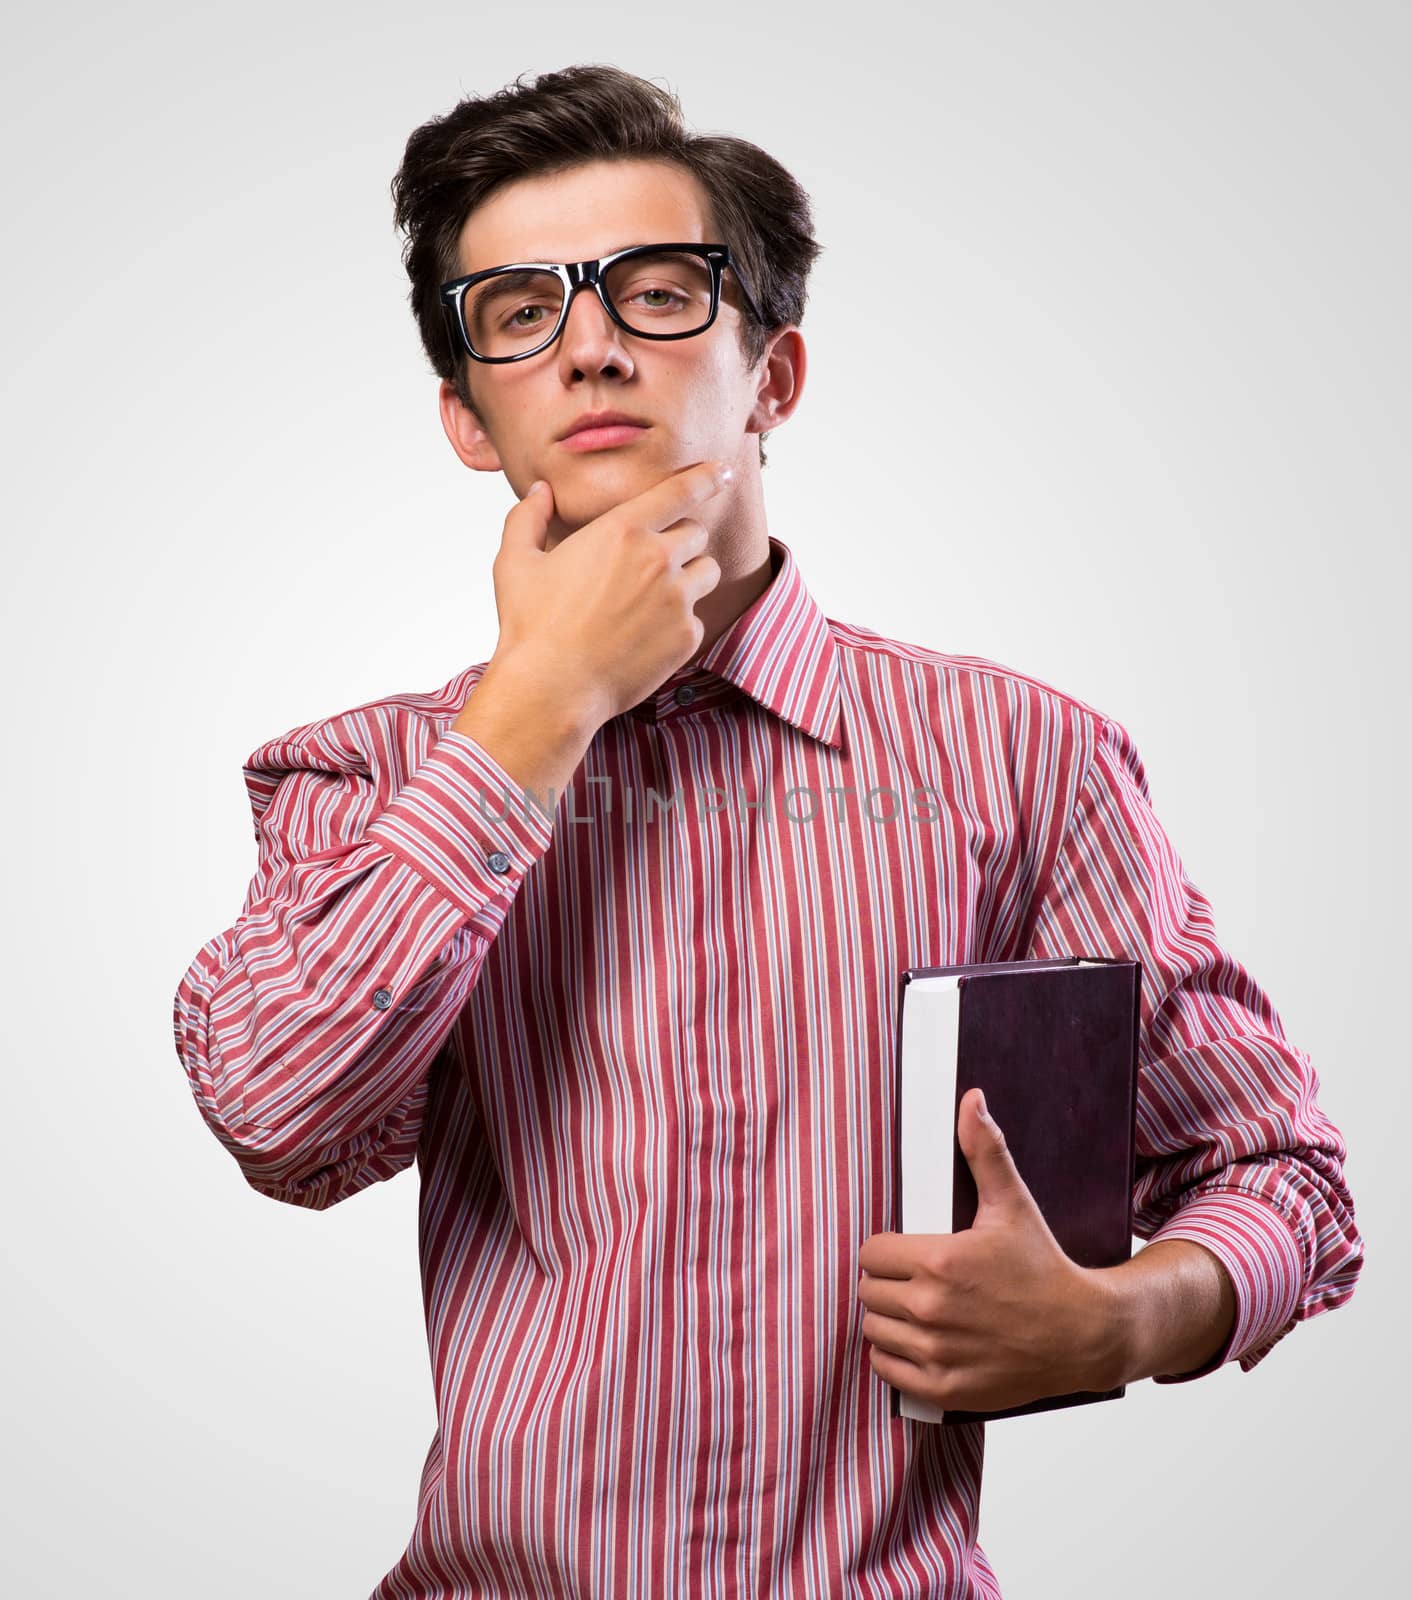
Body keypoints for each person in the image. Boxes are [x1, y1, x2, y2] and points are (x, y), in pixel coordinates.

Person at [172, 64, 1364, 1598]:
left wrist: (1128, 1319)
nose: (591, 345)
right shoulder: (369, 775)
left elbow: (1281, 1171)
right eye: (521, 313)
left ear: (773, 376)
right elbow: (282, 1116)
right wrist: (538, 712)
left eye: (655, 292)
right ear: (469, 420)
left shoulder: (1019, 759)